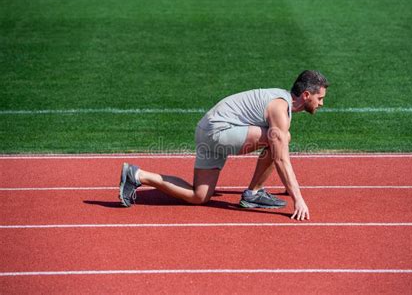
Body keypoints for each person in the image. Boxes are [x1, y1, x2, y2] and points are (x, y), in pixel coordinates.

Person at [119, 70, 329, 220]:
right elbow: (280, 157)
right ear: (306, 95)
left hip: (207, 131)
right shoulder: (280, 109)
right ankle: (253, 194)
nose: (321, 103)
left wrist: (287, 186)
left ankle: (137, 175)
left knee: (199, 196)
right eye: (319, 98)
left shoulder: (281, 102)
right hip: (217, 133)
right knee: (280, 140)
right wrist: (297, 199)